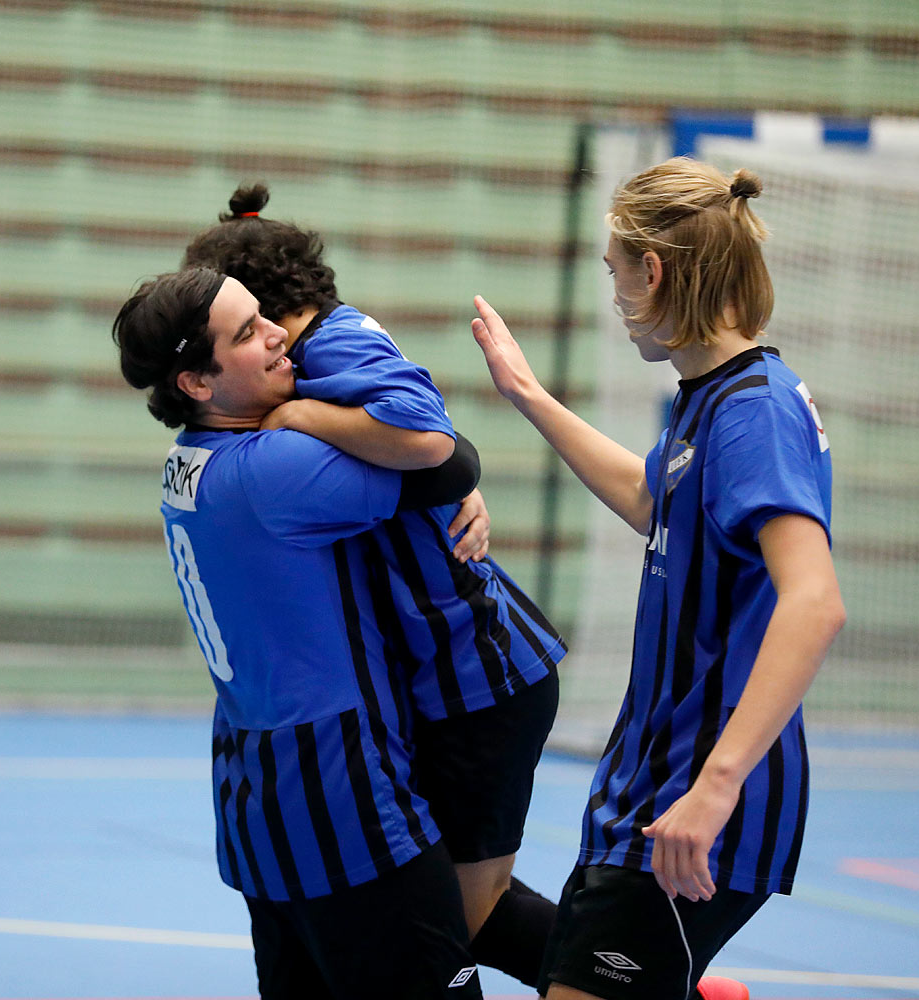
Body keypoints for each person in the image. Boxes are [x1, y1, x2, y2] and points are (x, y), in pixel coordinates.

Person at [469, 158, 846, 1000]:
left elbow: (814, 602)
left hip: (696, 800)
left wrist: (715, 788)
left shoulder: (755, 409)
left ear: (656, 271)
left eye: (614, 272)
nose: (613, 296)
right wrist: (528, 393)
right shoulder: (704, 402)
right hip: (647, 784)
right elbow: (652, 497)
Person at [181, 185, 565, 988]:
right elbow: (434, 459)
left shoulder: (334, 345)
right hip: (426, 673)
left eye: (251, 323)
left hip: (474, 667)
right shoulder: (308, 361)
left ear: (274, 312)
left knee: (469, 913)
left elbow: (434, 444)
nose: (256, 342)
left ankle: (663, 983)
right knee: (445, 907)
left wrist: (306, 421)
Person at [114, 267, 488, 998]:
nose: (281, 334)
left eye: (264, 317)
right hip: (340, 794)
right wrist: (316, 412)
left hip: (257, 792)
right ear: (196, 381)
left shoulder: (188, 463)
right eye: (248, 332)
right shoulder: (271, 470)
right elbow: (448, 458)